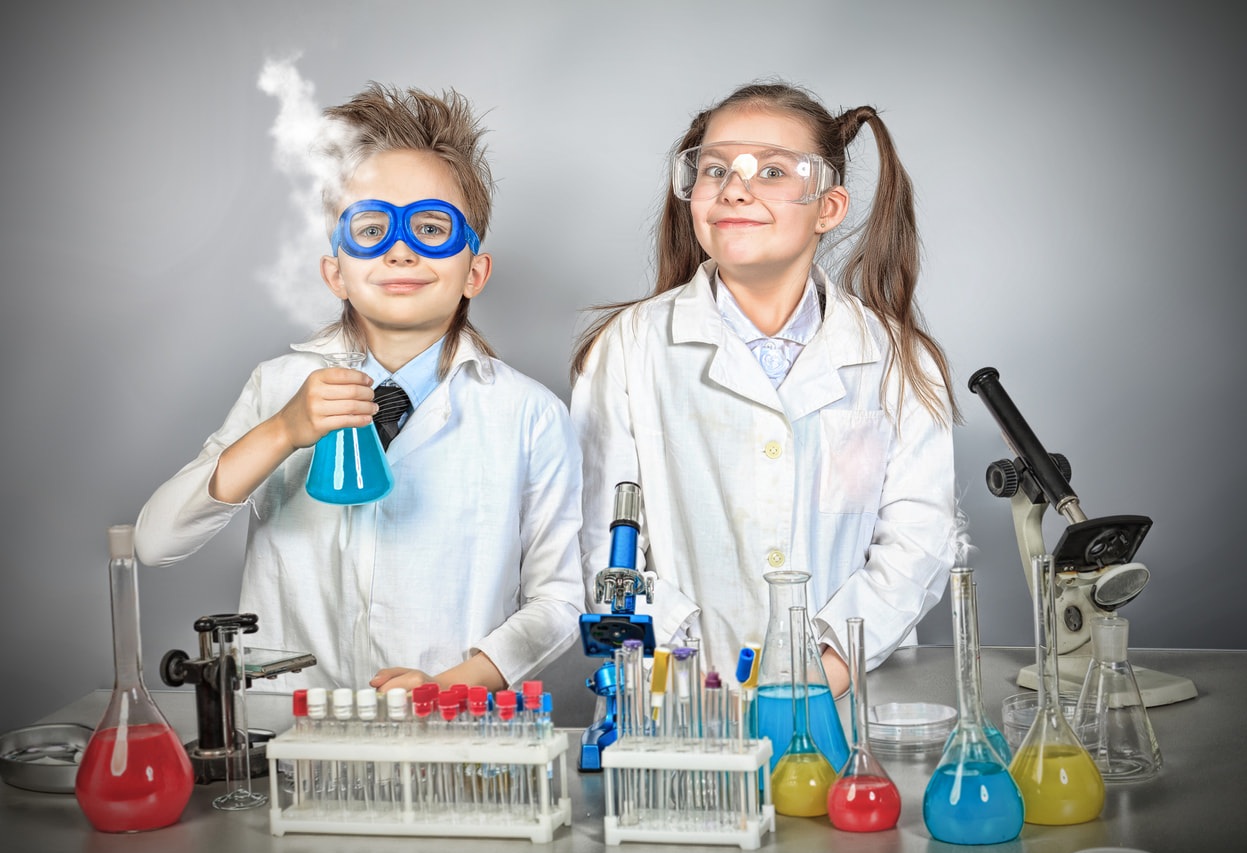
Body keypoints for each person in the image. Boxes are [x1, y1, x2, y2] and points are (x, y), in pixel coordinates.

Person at [135, 83, 584, 695]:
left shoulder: (528, 413)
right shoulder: (281, 388)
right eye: (372, 229)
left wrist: (451, 686)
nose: (401, 250)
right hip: (290, 736)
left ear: (474, 272)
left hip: (445, 745)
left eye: (431, 228)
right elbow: (156, 541)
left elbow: (559, 599)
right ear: (336, 273)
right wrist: (283, 432)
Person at [570, 81, 958, 695]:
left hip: (844, 694)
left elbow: (917, 542)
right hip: (687, 696)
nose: (735, 189)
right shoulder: (630, 347)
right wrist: (692, 664)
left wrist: (822, 673)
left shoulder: (895, 359)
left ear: (828, 207)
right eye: (715, 168)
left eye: (772, 170)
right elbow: (598, 538)